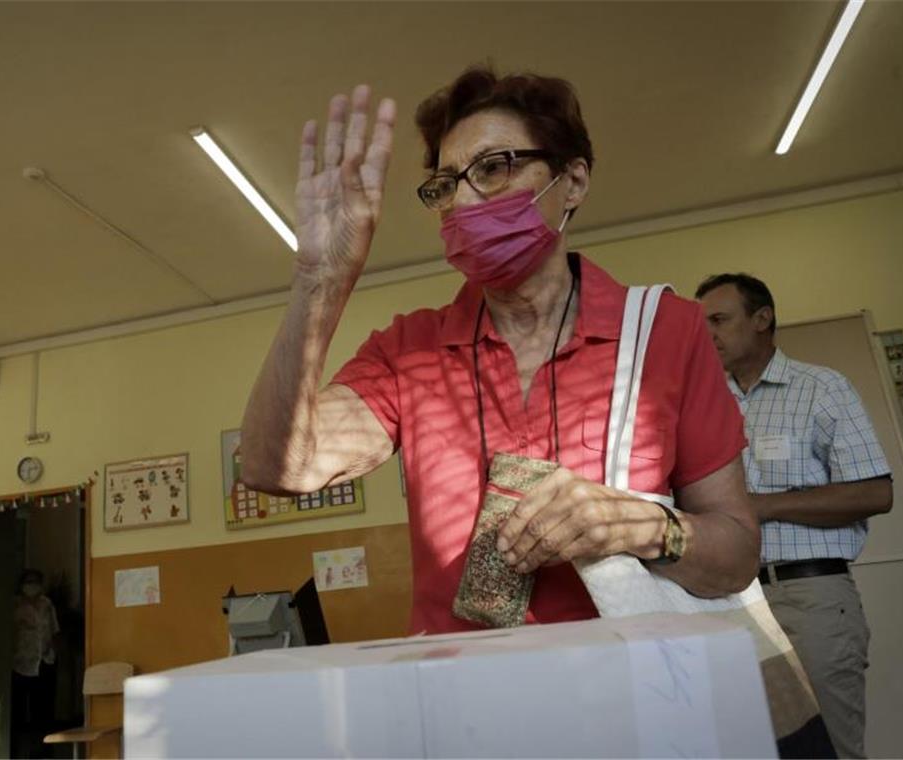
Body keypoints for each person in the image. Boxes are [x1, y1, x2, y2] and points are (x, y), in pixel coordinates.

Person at [241, 65, 758, 637]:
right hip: (463, 695)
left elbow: (736, 557)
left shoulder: (665, 330)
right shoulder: (410, 351)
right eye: (446, 184)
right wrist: (322, 276)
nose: (464, 200)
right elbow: (276, 466)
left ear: (574, 180)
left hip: (629, 686)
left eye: (493, 168)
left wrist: (640, 525)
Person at [695, 273, 893, 759]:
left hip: (811, 598)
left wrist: (760, 507)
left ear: (762, 319)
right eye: (701, 324)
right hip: (726, 604)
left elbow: (875, 492)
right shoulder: (700, 401)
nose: (708, 334)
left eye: (719, 319)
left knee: (828, 748)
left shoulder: (820, 387)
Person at [11, 568, 60, 759]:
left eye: (36, 582)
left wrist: (55, 656)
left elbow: (54, 631)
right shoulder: (14, 605)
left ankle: (43, 751)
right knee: (20, 713)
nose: (32, 586)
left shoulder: (47, 604)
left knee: (44, 711)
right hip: (20, 664)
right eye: (29, 582)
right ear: (22, 585)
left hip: (45, 662)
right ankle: (17, 750)